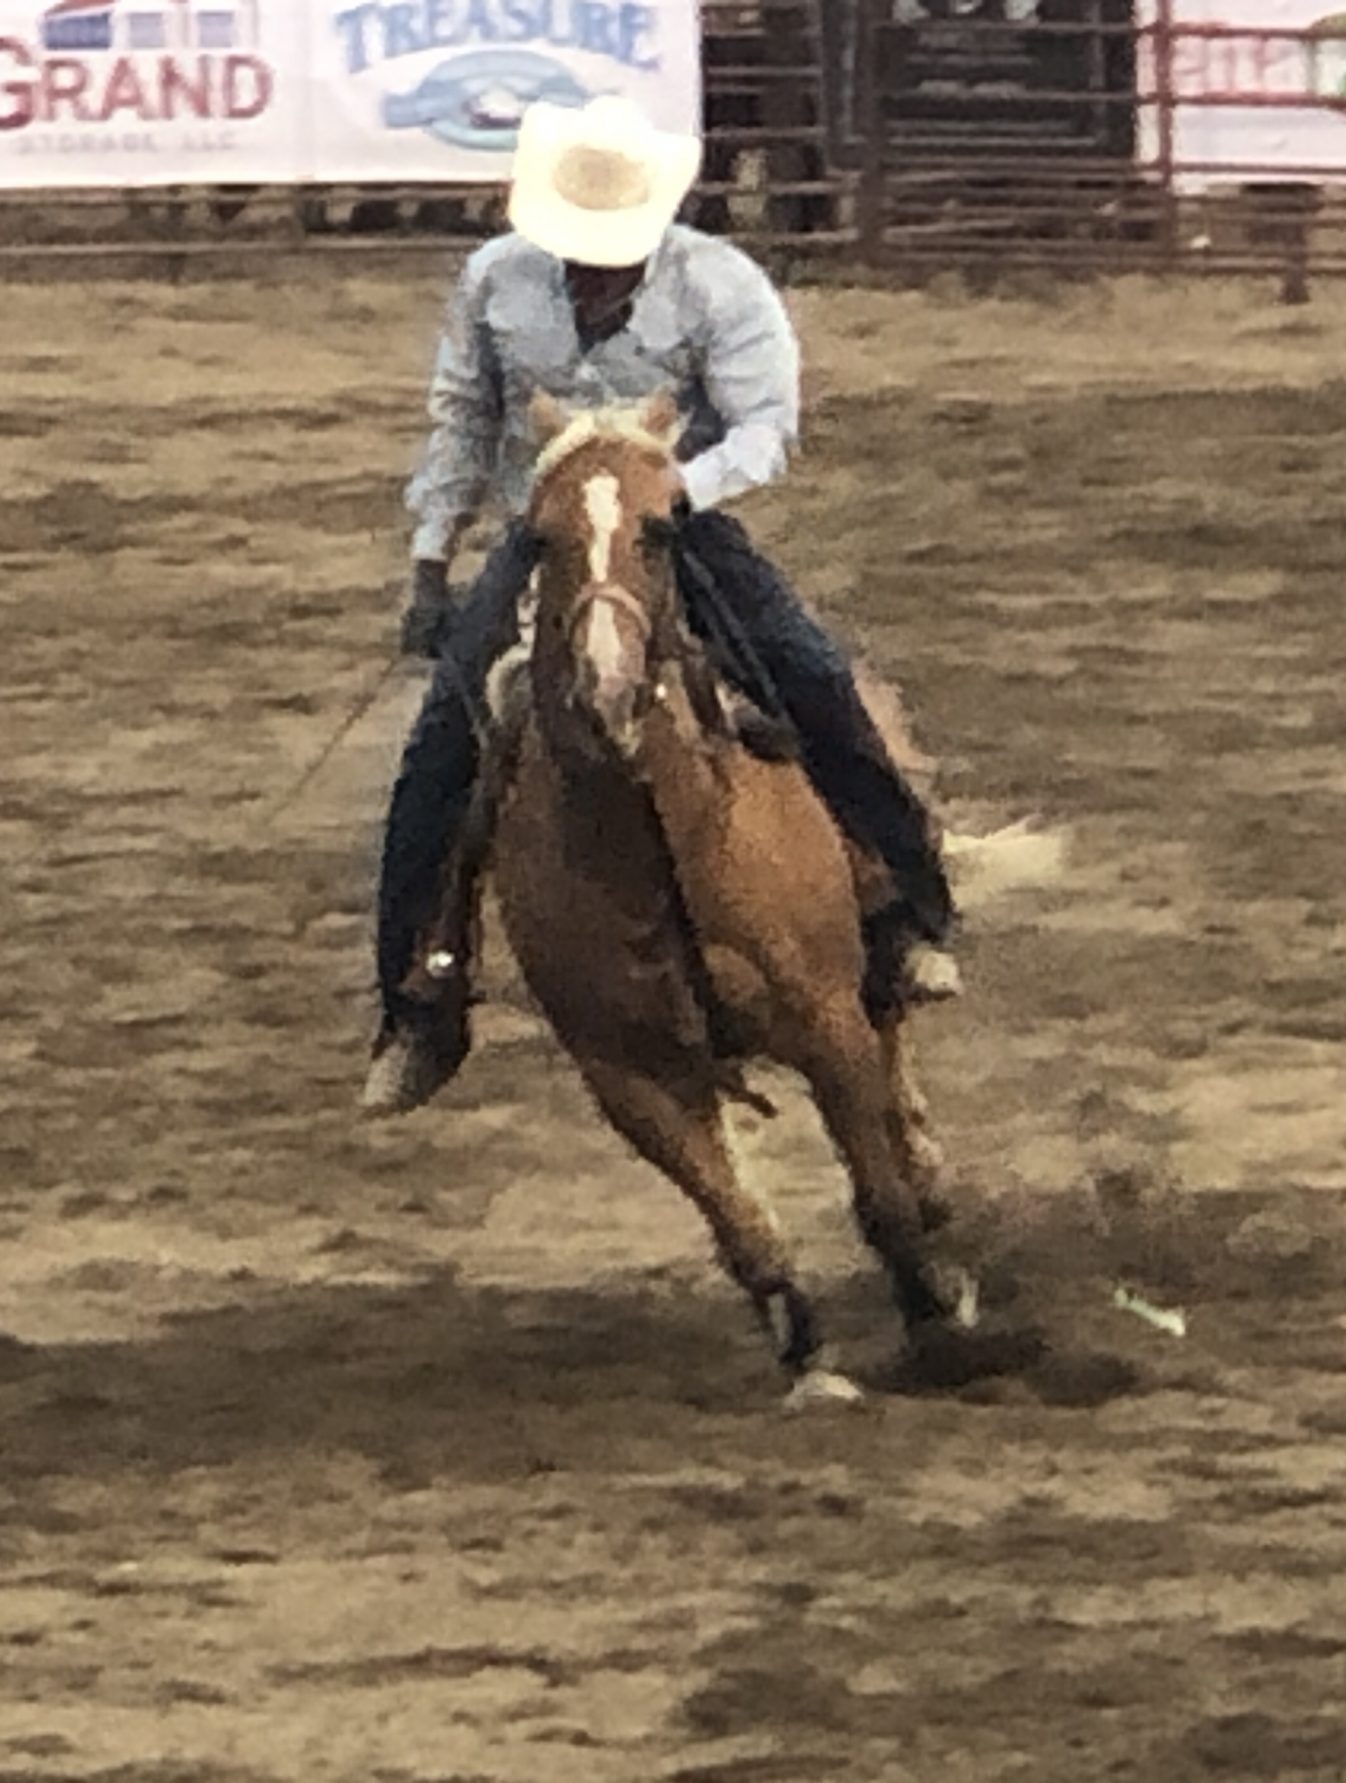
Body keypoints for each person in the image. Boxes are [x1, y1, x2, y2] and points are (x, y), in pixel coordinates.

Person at [361, 94, 960, 1117]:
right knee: (439, 747)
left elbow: (765, 430)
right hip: (549, 535)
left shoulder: (718, 285)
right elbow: (461, 423)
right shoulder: (496, 283)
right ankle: (421, 994)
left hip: (679, 526)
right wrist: (430, 561)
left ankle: (902, 910)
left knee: (812, 678)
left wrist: (670, 493)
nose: (595, 267)